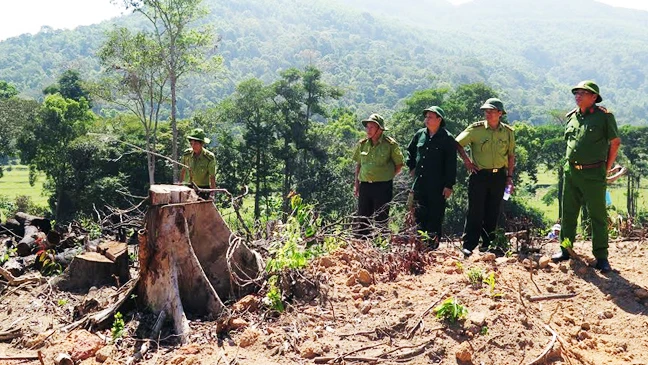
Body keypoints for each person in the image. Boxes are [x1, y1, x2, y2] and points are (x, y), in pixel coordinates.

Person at [552, 81, 621, 273]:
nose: (578, 96)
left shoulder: (604, 118)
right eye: (576, 93)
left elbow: (615, 143)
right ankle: (565, 250)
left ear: (594, 98)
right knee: (568, 214)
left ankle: (601, 257)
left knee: (597, 215)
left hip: (593, 173)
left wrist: (605, 169)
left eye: (583, 93)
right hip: (571, 172)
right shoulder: (572, 117)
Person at [456, 98, 515, 256]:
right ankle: (469, 244)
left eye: (491, 111)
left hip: (499, 176)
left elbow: (510, 156)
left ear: (500, 113)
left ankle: (488, 244)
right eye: (486, 111)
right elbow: (457, 143)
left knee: (493, 210)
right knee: (476, 210)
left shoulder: (508, 132)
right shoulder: (476, 129)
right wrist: (467, 161)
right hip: (480, 175)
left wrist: (509, 177)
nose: (487, 114)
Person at [406, 106, 457, 249]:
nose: (426, 120)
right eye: (426, 117)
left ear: (439, 120)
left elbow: (451, 164)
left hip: (437, 185)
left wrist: (449, 185)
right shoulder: (420, 134)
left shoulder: (447, 138)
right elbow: (410, 152)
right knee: (419, 214)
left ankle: (431, 246)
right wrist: (411, 167)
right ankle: (419, 245)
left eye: (430, 117)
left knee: (435, 215)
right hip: (420, 183)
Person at [353, 113, 404, 237]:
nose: (368, 130)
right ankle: (362, 245)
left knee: (381, 218)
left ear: (380, 129)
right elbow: (359, 164)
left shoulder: (390, 144)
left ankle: (380, 246)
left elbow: (399, 164)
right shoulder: (363, 144)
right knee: (363, 218)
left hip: (383, 186)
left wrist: (386, 176)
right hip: (365, 185)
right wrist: (357, 184)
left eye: (371, 127)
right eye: (367, 127)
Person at [179, 128, 217, 200]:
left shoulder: (209, 157)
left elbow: (212, 177)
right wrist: (180, 185)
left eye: (196, 144)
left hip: (203, 189)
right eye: (191, 144)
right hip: (188, 187)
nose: (193, 146)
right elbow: (183, 170)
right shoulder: (187, 154)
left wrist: (212, 194)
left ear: (202, 144)